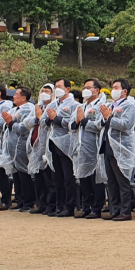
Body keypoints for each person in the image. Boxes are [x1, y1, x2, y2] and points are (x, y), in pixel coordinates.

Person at [98, 79, 135, 221]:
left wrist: (109, 118)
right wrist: (105, 118)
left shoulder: (130, 106)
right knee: (111, 181)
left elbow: (126, 125)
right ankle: (114, 210)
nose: (112, 89)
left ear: (124, 91)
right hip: (108, 144)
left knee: (122, 180)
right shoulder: (110, 105)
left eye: (116, 87)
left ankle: (125, 211)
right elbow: (101, 122)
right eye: (112, 87)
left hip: (121, 147)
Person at [42, 78, 80, 217]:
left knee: (68, 177)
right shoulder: (52, 104)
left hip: (66, 144)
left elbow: (73, 123)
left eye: (60, 86)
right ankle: (59, 206)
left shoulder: (74, 105)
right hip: (52, 143)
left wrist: (56, 118)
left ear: (67, 89)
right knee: (56, 177)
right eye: (56, 86)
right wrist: (50, 118)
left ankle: (69, 207)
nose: (57, 88)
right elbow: (44, 121)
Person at [70, 78, 106, 219]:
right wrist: (78, 121)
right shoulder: (82, 106)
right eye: (84, 87)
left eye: (89, 87)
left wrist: (84, 121)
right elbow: (72, 125)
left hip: (94, 147)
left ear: (97, 90)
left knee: (95, 179)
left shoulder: (101, 106)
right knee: (83, 178)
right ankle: (86, 206)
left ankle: (96, 208)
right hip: (81, 147)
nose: (86, 89)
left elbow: (99, 125)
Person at [0, 87, 36, 212]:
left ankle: (28, 202)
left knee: (24, 175)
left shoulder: (29, 109)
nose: (13, 97)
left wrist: (10, 123)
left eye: (16, 94)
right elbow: (6, 125)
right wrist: (8, 122)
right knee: (16, 175)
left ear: (24, 97)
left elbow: (24, 127)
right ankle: (19, 200)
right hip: (12, 146)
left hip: (22, 146)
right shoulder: (14, 109)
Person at [22, 84, 56, 215]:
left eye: (47, 91)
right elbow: (26, 122)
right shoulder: (38, 107)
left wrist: (41, 117)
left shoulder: (53, 107)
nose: (44, 93)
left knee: (49, 179)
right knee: (38, 178)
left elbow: (48, 123)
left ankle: (51, 205)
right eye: (43, 90)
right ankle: (41, 204)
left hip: (48, 147)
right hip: (35, 147)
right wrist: (37, 117)